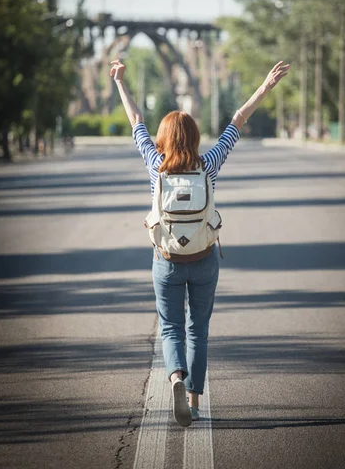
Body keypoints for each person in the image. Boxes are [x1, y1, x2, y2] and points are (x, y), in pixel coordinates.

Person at [110, 58, 290, 427]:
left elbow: (136, 122)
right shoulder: (208, 164)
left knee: (172, 327)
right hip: (205, 258)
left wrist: (120, 84)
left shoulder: (154, 164)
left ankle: (175, 377)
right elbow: (237, 121)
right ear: (193, 137)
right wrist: (265, 86)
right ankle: (192, 401)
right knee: (198, 330)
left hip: (167, 258)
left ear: (165, 139)